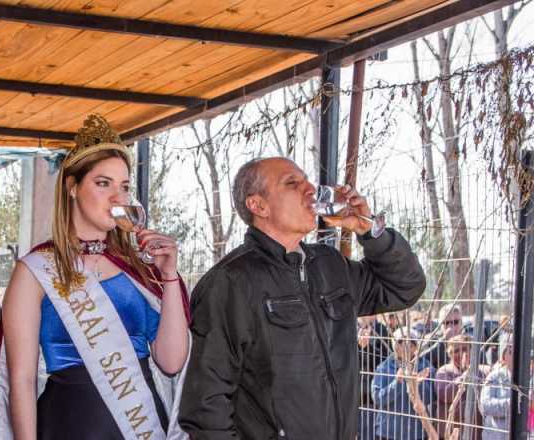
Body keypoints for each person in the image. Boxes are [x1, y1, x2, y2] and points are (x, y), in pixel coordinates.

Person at [179, 157, 427, 439]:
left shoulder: (330, 265)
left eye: (306, 180)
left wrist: (369, 230)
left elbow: (405, 287)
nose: (310, 188)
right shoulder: (230, 282)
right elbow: (205, 407)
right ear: (258, 205)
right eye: (292, 183)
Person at [0, 115, 190, 440]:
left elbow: (171, 361)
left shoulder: (138, 269)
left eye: (124, 186)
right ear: (72, 187)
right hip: (68, 424)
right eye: (102, 183)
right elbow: (21, 381)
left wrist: (168, 277)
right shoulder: (35, 270)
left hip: (140, 425)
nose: (117, 197)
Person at [372, 328, 437, 440]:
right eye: (401, 341)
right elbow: (378, 399)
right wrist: (397, 382)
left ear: (416, 347)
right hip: (387, 433)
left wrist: (416, 385)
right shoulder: (383, 368)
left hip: (416, 434)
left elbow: (430, 398)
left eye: (411, 342)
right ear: (394, 345)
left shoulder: (427, 367)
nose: (406, 345)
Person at [434, 334, 488, 440]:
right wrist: (464, 377)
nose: (461, 354)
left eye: (464, 349)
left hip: (476, 431)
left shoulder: (484, 370)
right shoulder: (444, 371)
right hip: (452, 433)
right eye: (456, 351)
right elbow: (444, 394)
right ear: (450, 354)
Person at [358, 315, 391, 440]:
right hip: (351, 394)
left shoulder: (382, 330)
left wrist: (367, 348)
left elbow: (384, 361)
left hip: (371, 398)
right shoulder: (348, 327)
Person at [479, 336, 514, 440]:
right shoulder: (494, 376)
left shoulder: (531, 377)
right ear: (503, 357)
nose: (517, 354)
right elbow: (485, 405)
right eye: (511, 351)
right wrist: (513, 404)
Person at [421, 304, 466, 369]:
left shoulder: (469, 340)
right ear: (440, 325)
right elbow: (421, 360)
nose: (451, 326)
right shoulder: (432, 340)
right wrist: (443, 341)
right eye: (446, 323)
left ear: (461, 323)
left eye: (455, 322)